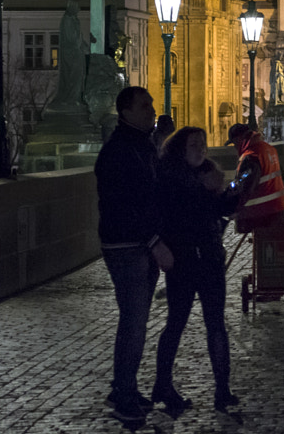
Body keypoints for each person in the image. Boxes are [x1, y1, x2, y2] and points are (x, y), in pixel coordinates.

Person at [151, 126, 240, 414]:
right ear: (180, 148)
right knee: (177, 321)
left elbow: (218, 210)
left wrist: (234, 193)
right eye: (194, 144)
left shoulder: (208, 174)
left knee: (216, 323)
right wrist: (207, 187)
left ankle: (222, 389)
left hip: (210, 258)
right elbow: (178, 212)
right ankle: (162, 385)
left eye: (203, 144)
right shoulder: (171, 177)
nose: (201, 149)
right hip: (184, 260)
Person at [96, 86, 168, 421]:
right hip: (127, 245)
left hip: (136, 243)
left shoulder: (139, 144)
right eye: (145, 106)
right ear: (126, 112)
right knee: (133, 322)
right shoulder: (121, 150)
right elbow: (128, 204)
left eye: (151, 105)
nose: (152, 110)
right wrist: (154, 241)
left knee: (135, 321)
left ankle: (125, 386)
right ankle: (123, 393)